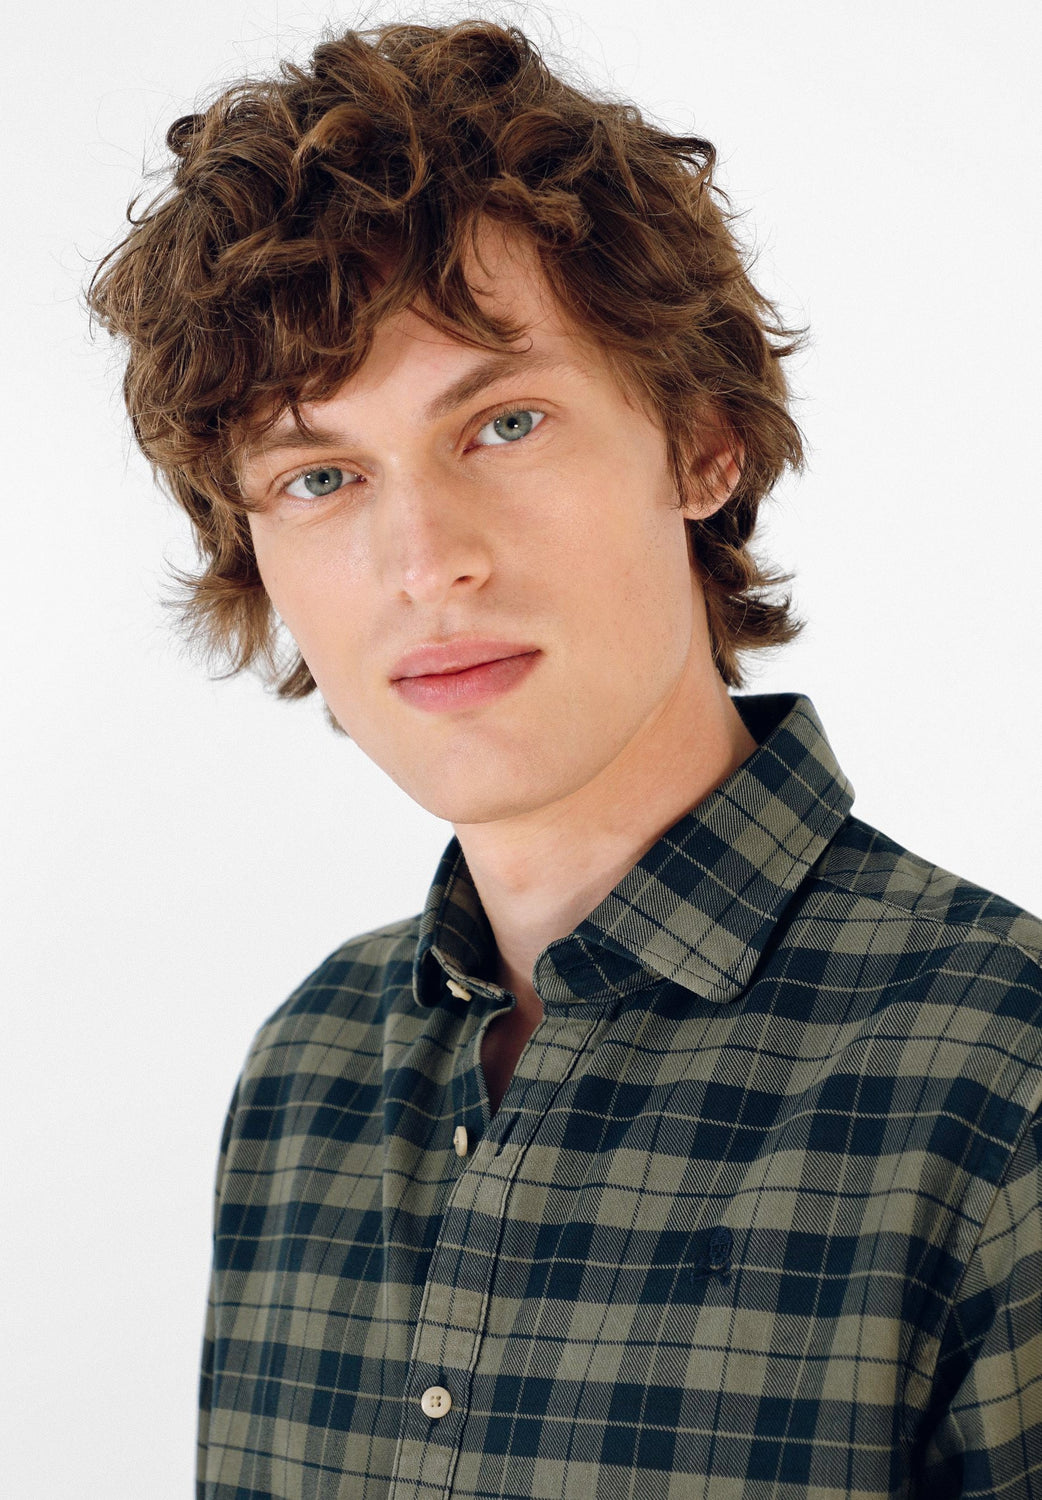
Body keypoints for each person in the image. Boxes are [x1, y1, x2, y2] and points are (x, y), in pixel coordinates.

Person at [87, 19, 1042, 1500]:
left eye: (504, 422)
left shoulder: (1003, 1082)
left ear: (701, 442)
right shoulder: (302, 1074)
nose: (425, 563)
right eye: (321, 475)